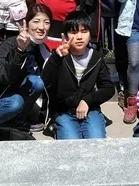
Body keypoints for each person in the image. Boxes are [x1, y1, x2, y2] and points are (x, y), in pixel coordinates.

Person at [0, 4, 51, 141]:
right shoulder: (9, 45)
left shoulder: (41, 49)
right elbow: (3, 77)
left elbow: (47, 81)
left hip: (11, 95)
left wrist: (59, 58)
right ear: (26, 23)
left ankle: (16, 123)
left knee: (37, 83)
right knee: (16, 102)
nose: (41, 27)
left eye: (46, 22)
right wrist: (19, 52)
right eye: (36, 21)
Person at [41, 11, 115, 139]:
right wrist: (56, 58)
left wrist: (88, 100)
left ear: (90, 33)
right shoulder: (59, 56)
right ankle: (56, 127)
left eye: (84, 31)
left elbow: (108, 88)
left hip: (90, 110)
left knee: (96, 141)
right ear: (65, 36)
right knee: (72, 143)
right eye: (74, 33)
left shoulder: (96, 57)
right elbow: (45, 82)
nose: (79, 37)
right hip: (64, 112)